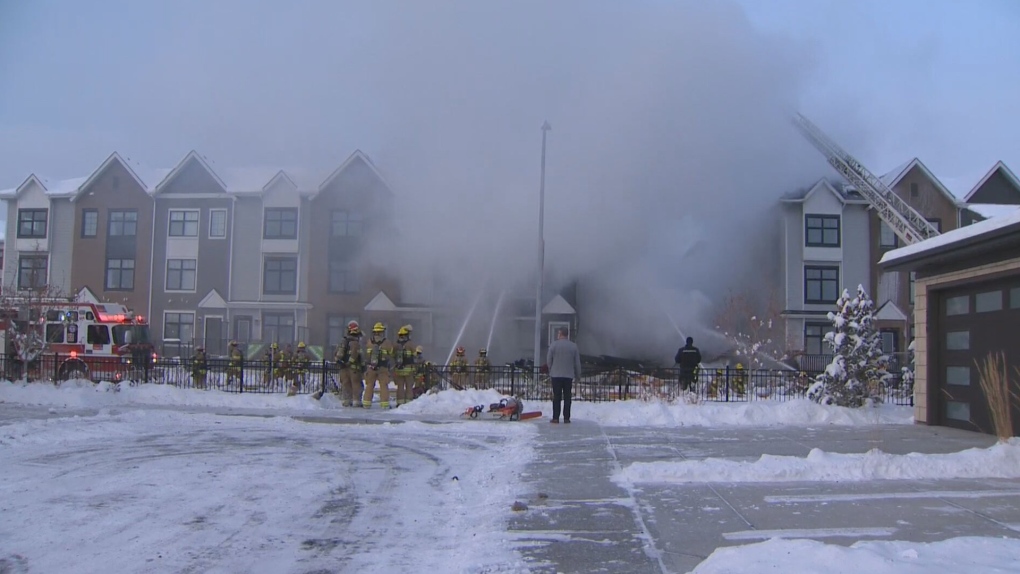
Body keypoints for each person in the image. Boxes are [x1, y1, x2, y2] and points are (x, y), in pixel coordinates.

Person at [546, 326, 581, 424]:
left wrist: (551, 369)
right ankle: (566, 418)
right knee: (567, 397)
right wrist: (578, 375)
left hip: (556, 375)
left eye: (558, 333)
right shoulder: (573, 346)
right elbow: (577, 363)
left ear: (560, 334)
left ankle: (555, 417)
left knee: (556, 397)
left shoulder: (553, 345)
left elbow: (549, 360)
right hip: (568, 375)